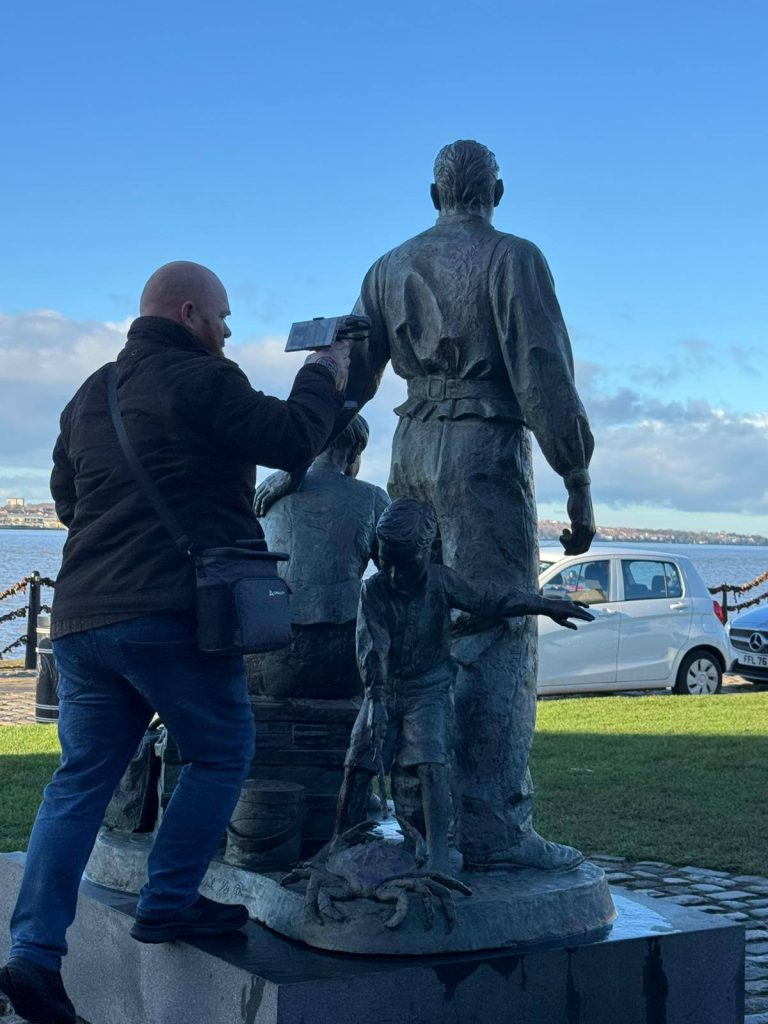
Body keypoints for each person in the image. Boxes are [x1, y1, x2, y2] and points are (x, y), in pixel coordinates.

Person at [0, 261, 352, 1024]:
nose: (229, 332)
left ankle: (32, 953)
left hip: (85, 620)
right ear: (190, 313)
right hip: (172, 614)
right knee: (222, 749)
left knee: (79, 782)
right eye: (224, 318)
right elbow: (294, 438)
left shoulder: (88, 392)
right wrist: (325, 371)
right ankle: (167, 899)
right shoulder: (203, 379)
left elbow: (67, 500)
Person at [256, 140, 596, 873]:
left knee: (422, 628)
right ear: (495, 191)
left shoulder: (387, 268)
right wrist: (577, 479)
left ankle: (422, 821)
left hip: (412, 451)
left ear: (431, 192)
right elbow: (543, 375)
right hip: (484, 453)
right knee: (496, 625)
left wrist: (298, 463)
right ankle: (494, 827)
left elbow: (347, 381)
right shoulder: (514, 257)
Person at [336, 499, 594, 874]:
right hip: (385, 689)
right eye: (386, 563)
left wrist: (541, 604)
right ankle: (339, 843)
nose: (394, 575)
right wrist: (376, 699)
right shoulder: (373, 590)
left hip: (429, 690)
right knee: (358, 762)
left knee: (432, 762)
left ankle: (439, 854)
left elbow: (489, 599)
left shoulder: (442, 581)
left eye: (404, 565)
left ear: (427, 550)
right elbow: (373, 648)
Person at [248, 414, 390, 700]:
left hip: (274, 647)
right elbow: (396, 573)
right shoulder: (374, 497)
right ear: (354, 452)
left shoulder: (268, 495)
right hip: (348, 650)